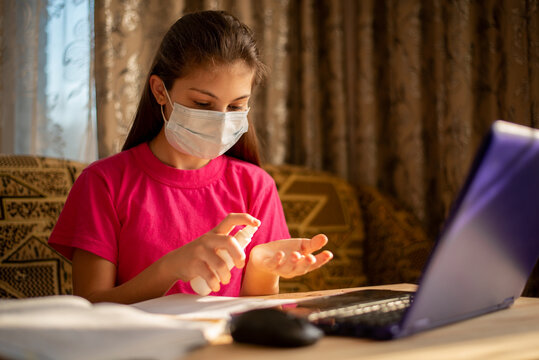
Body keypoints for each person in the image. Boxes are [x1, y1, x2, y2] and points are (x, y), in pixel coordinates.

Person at [48, 10, 333, 304]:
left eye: (236, 107)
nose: (221, 121)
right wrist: (170, 268)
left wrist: (262, 268)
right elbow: (91, 307)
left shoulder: (256, 186)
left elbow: (257, 312)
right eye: (202, 103)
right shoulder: (103, 183)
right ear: (160, 91)